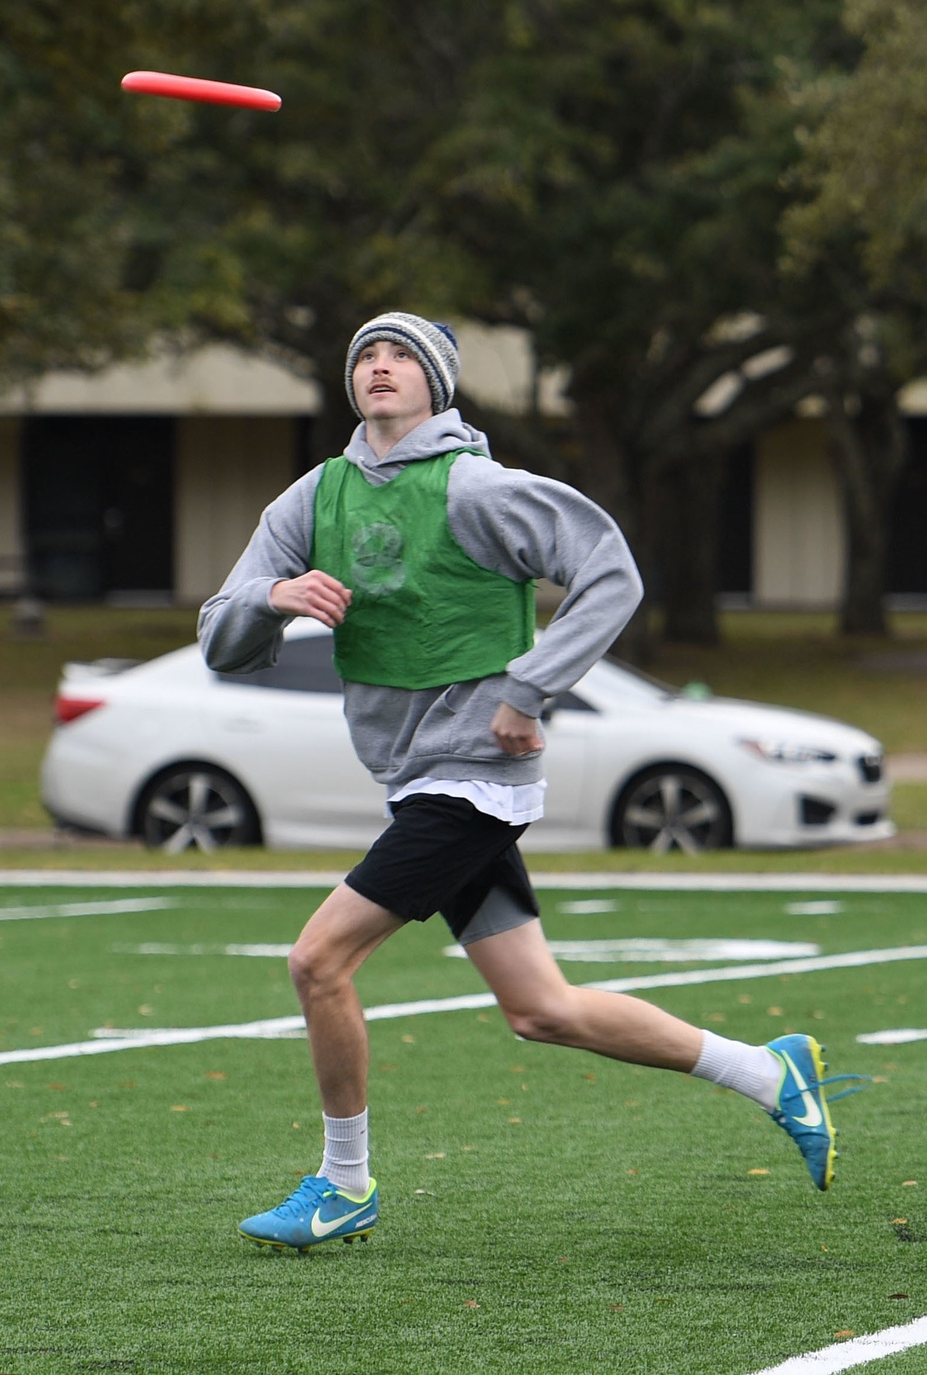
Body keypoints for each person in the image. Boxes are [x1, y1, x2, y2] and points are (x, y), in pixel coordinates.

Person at [198, 311, 857, 1252]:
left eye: (401, 357)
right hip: (414, 777)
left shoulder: (478, 487)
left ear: (439, 384)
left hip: (471, 780)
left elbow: (611, 572)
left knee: (317, 960)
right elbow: (220, 631)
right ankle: (769, 1073)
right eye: (365, 357)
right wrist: (273, 598)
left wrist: (529, 686)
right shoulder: (314, 497)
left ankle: (344, 1182)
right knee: (541, 1009)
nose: (380, 367)